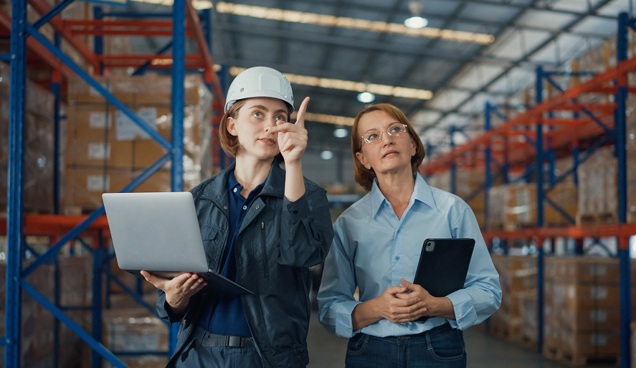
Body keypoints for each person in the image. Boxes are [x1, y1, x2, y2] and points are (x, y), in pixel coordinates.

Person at [141, 66, 334, 367]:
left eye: (279, 117)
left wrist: (294, 164)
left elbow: (303, 253)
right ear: (232, 125)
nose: (270, 126)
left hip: (267, 358)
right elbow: (170, 303)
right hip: (199, 354)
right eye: (258, 113)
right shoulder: (199, 201)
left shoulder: (309, 195)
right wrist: (174, 298)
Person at [317, 103, 501, 368]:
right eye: (373, 136)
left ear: (413, 144)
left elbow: (488, 290)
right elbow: (330, 307)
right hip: (370, 352)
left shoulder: (452, 211)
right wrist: (378, 307)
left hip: (438, 349)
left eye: (395, 129)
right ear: (363, 159)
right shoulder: (349, 223)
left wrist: (435, 305)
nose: (387, 140)